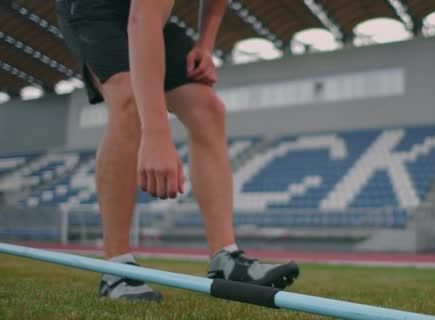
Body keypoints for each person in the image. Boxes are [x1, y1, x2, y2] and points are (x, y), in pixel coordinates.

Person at [55, 0, 299, 302]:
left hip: (152, 18)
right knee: (128, 101)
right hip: (98, 9)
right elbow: (141, 17)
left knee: (208, 110)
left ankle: (226, 258)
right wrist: (156, 135)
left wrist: (205, 46)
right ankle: (117, 268)